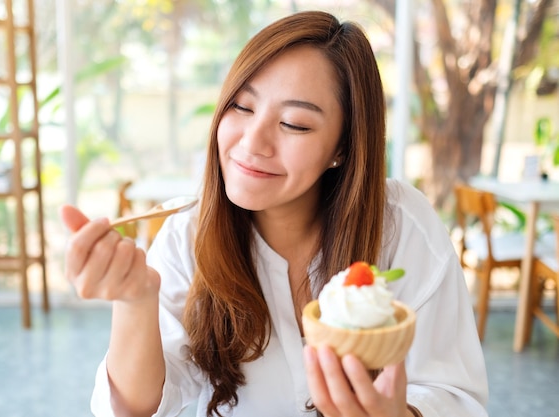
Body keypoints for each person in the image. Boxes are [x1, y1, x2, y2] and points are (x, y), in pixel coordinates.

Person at [60, 10, 488, 417]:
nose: (252, 141)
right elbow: (139, 408)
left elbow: (455, 395)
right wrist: (134, 301)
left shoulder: (402, 226)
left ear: (342, 147)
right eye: (242, 107)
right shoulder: (185, 236)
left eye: (295, 124)